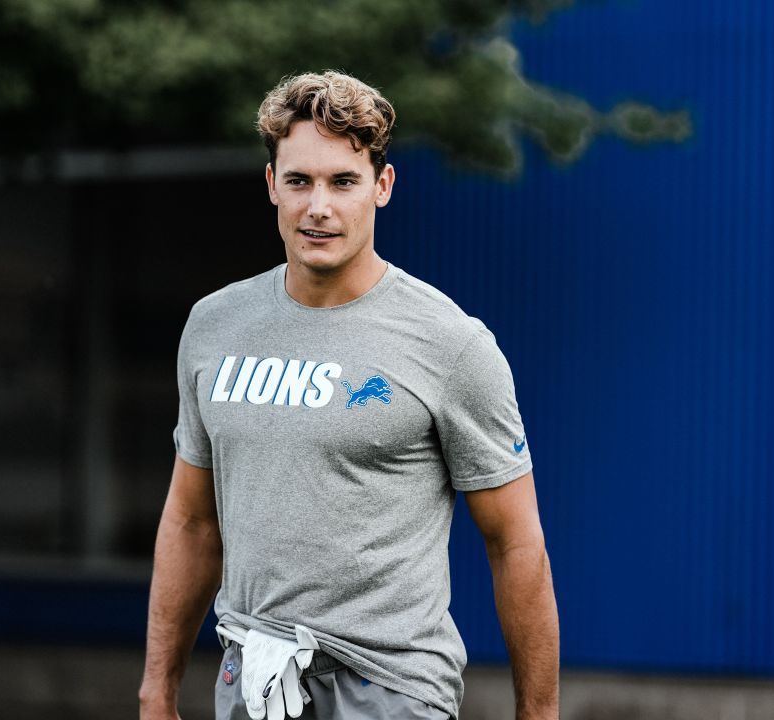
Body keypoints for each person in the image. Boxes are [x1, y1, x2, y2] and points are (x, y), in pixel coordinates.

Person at [139, 70, 559, 720]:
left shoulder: (451, 344)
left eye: (343, 181)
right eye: (300, 180)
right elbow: (192, 523)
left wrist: (539, 714)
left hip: (393, 692)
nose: (319, 207)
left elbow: (516, 543)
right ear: (272, 184)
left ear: (381, 187)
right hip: (252, 685)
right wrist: (156, 689)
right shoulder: (214, 327)